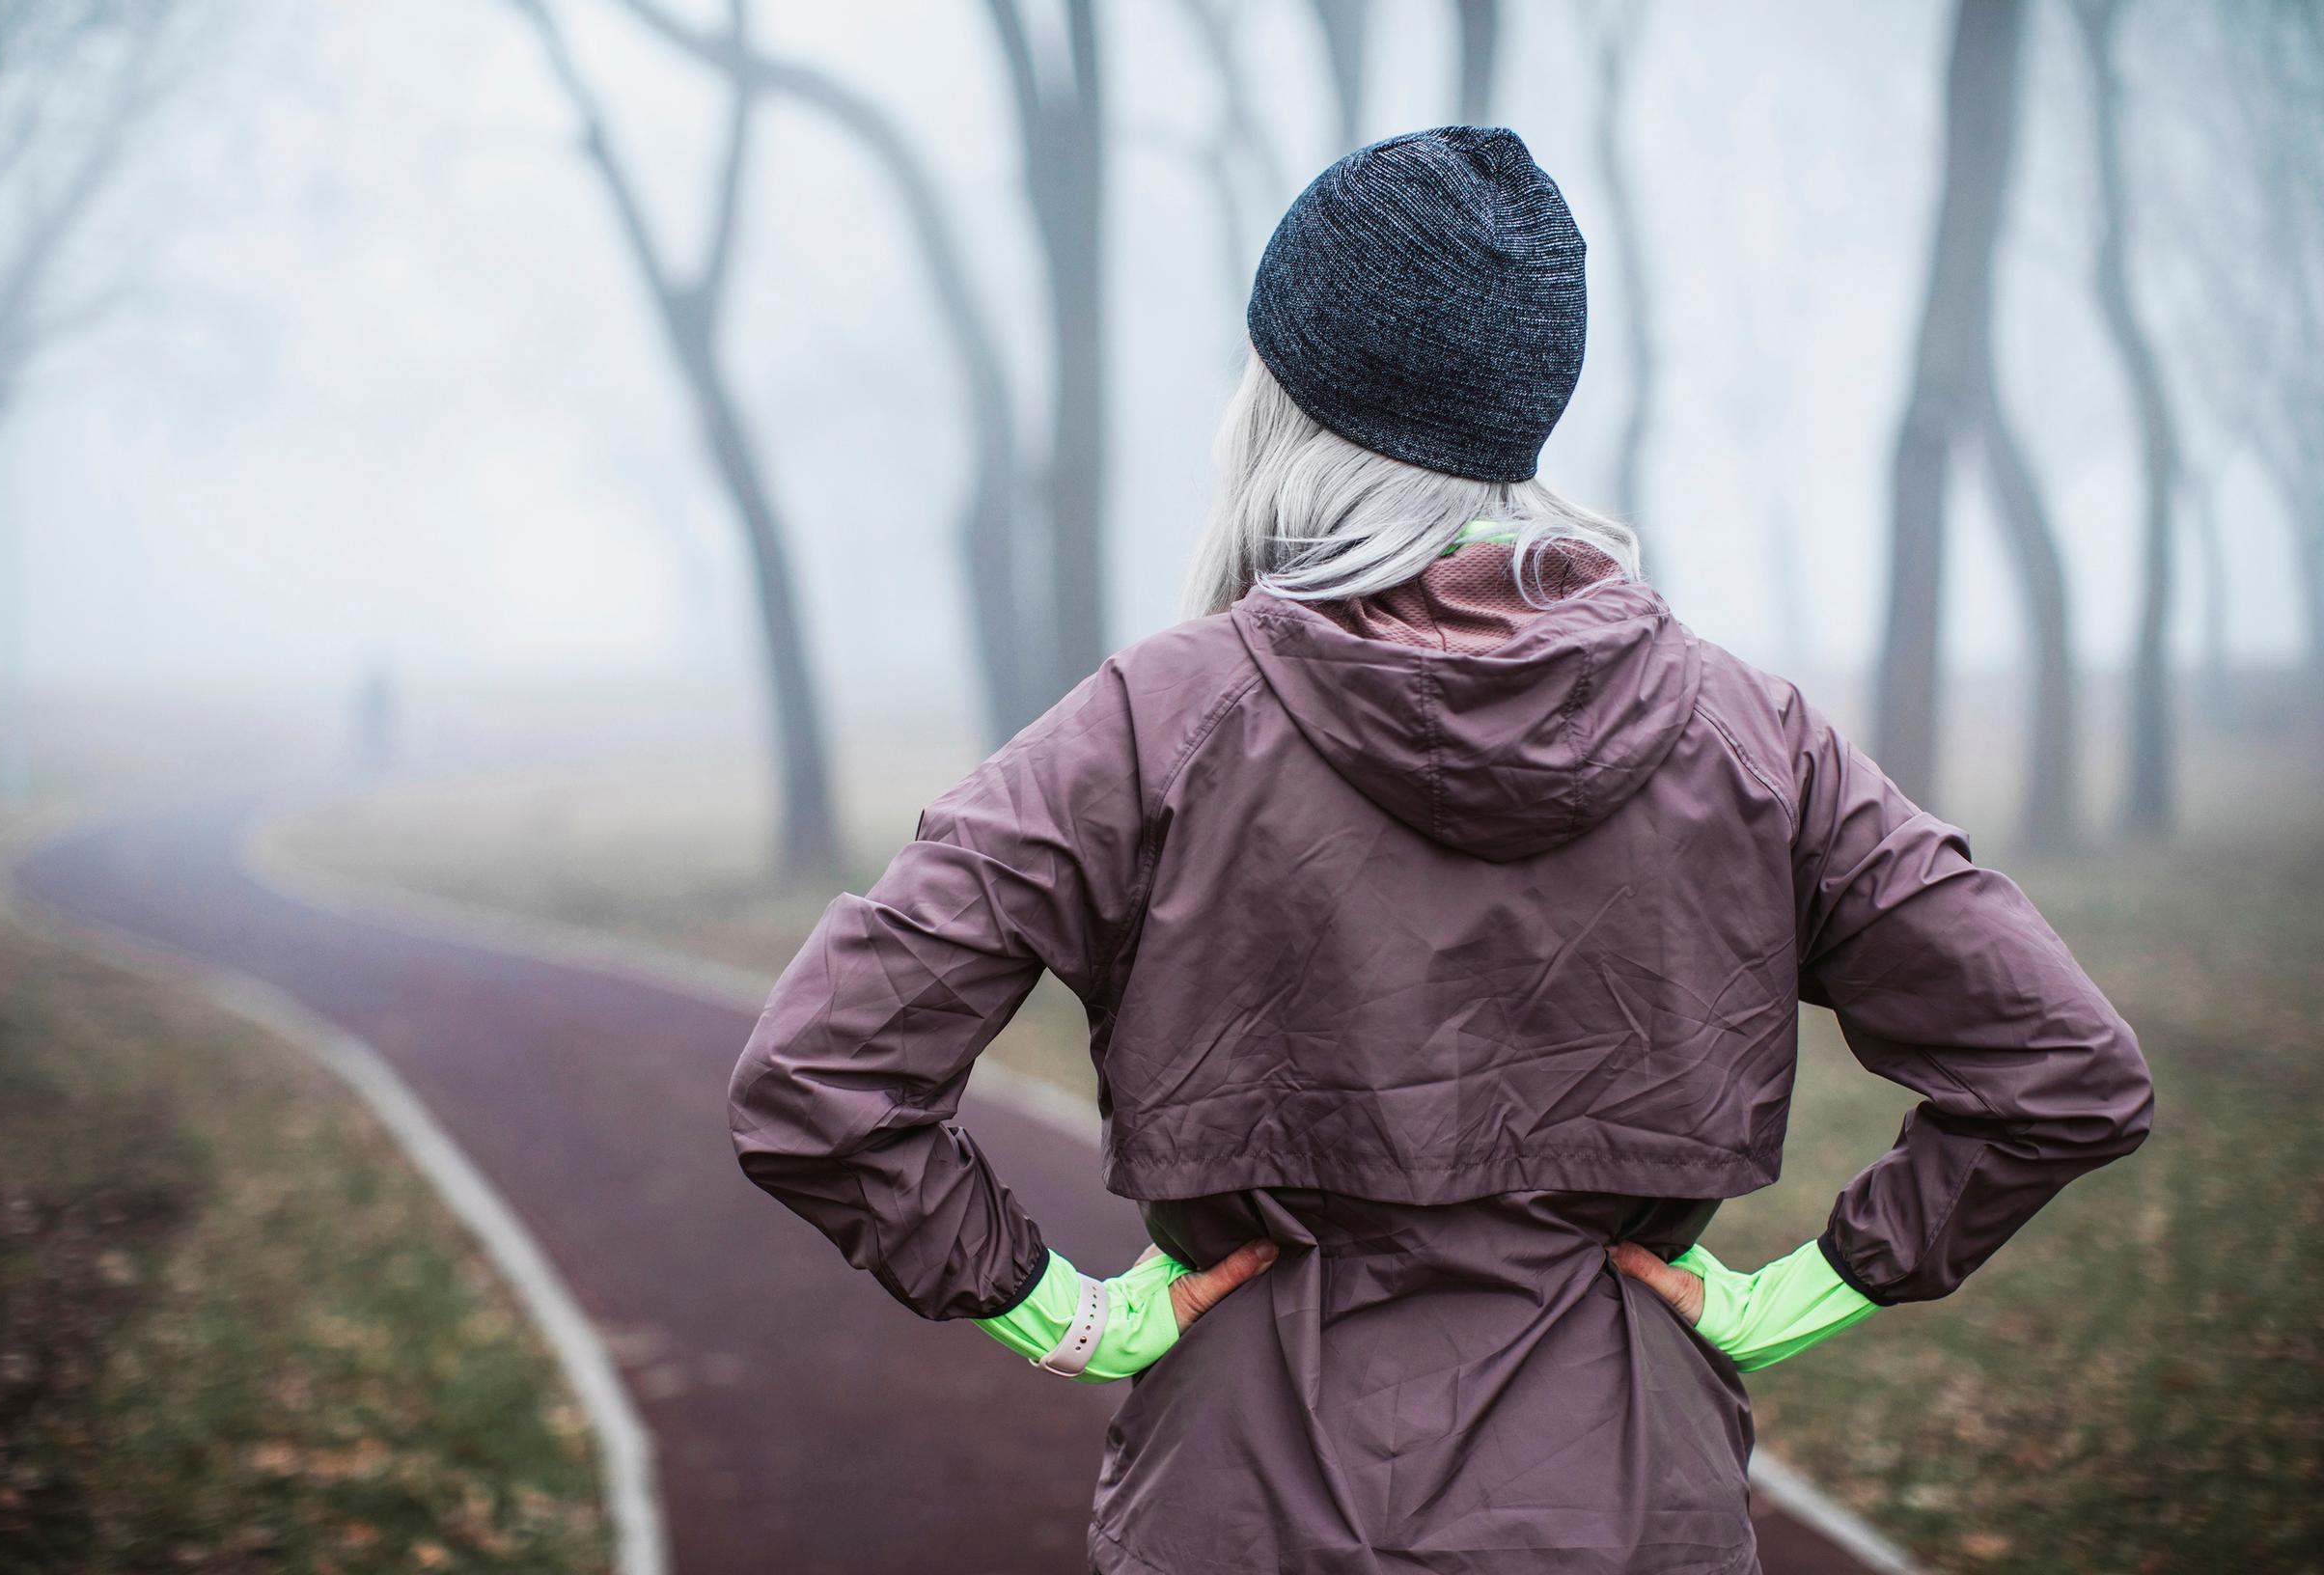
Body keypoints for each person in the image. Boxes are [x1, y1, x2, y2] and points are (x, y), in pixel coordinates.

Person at [726, 126, 2154, 1575]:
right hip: (1624, 1506)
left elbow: (821, 1079)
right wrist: (1813, 1291)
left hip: (1242, 1512)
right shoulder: (1750, 736)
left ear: (1281, 406)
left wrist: (1060, 1311)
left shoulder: (1152, 726)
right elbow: (2062, 1073)